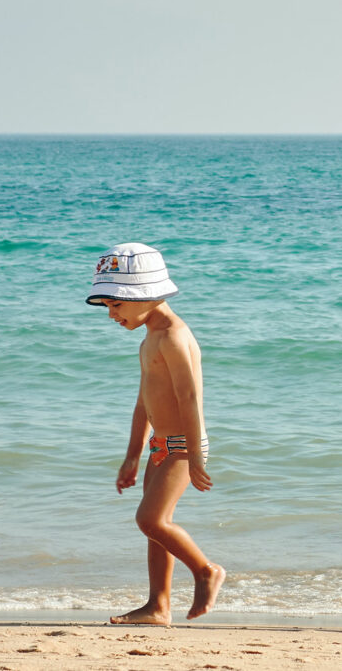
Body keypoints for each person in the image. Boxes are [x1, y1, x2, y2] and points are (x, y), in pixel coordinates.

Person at [86, 242, 225, 625]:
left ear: (144, 296)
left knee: (150, 520)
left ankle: (206, 570)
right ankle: (158, 606)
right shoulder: (150, 338)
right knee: (155, 531)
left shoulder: (173, 337)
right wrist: (132, 455)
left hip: (183, 445)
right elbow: (144, 403)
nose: (111, 314)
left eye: (116, 305)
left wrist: (195, 455)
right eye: (108, 307)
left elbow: (190, 397)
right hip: (160, 445)